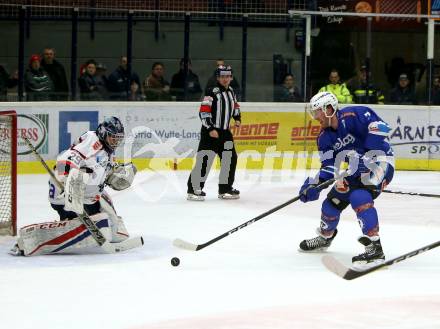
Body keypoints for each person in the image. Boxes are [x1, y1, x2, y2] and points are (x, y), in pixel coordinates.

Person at [10, 117, 137, 256]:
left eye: (118, 138)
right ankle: (30, 241)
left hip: (89, 197)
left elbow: (102, 172)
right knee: (102, 230)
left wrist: (117, 176)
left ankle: (74, 223)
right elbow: (66, 158)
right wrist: (67, 182)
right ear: (103, 132)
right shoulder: (92, 140)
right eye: (113, 138)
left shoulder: (107, 151)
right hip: (67, 194)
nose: (116, 142)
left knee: (118, 233)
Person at [298, 91, 395, 264]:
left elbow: (381, 127)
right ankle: (325, 237)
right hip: (356, 168)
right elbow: (329, 166)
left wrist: (368, 153)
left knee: (359, 196)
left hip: (380, 161)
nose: (315, 117)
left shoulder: (354, 114)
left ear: (329, 108)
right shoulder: (323, 138)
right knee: (332, 203)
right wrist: (315, 184)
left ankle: (375, 248)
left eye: (317, 111)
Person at [187, 64, 241, 201]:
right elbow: (203, 111)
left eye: (228, 76)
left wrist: (237, 118)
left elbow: (235, 105)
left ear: (231, 77)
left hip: (225, 132)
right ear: (218, 78)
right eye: (222, 76)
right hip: (210, 132)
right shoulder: (211, 92)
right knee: (205, 159)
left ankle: (225, 188)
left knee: (230, 159)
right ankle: (193, 190)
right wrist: (210, 128)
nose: (225, 79)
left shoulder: (231, 91)